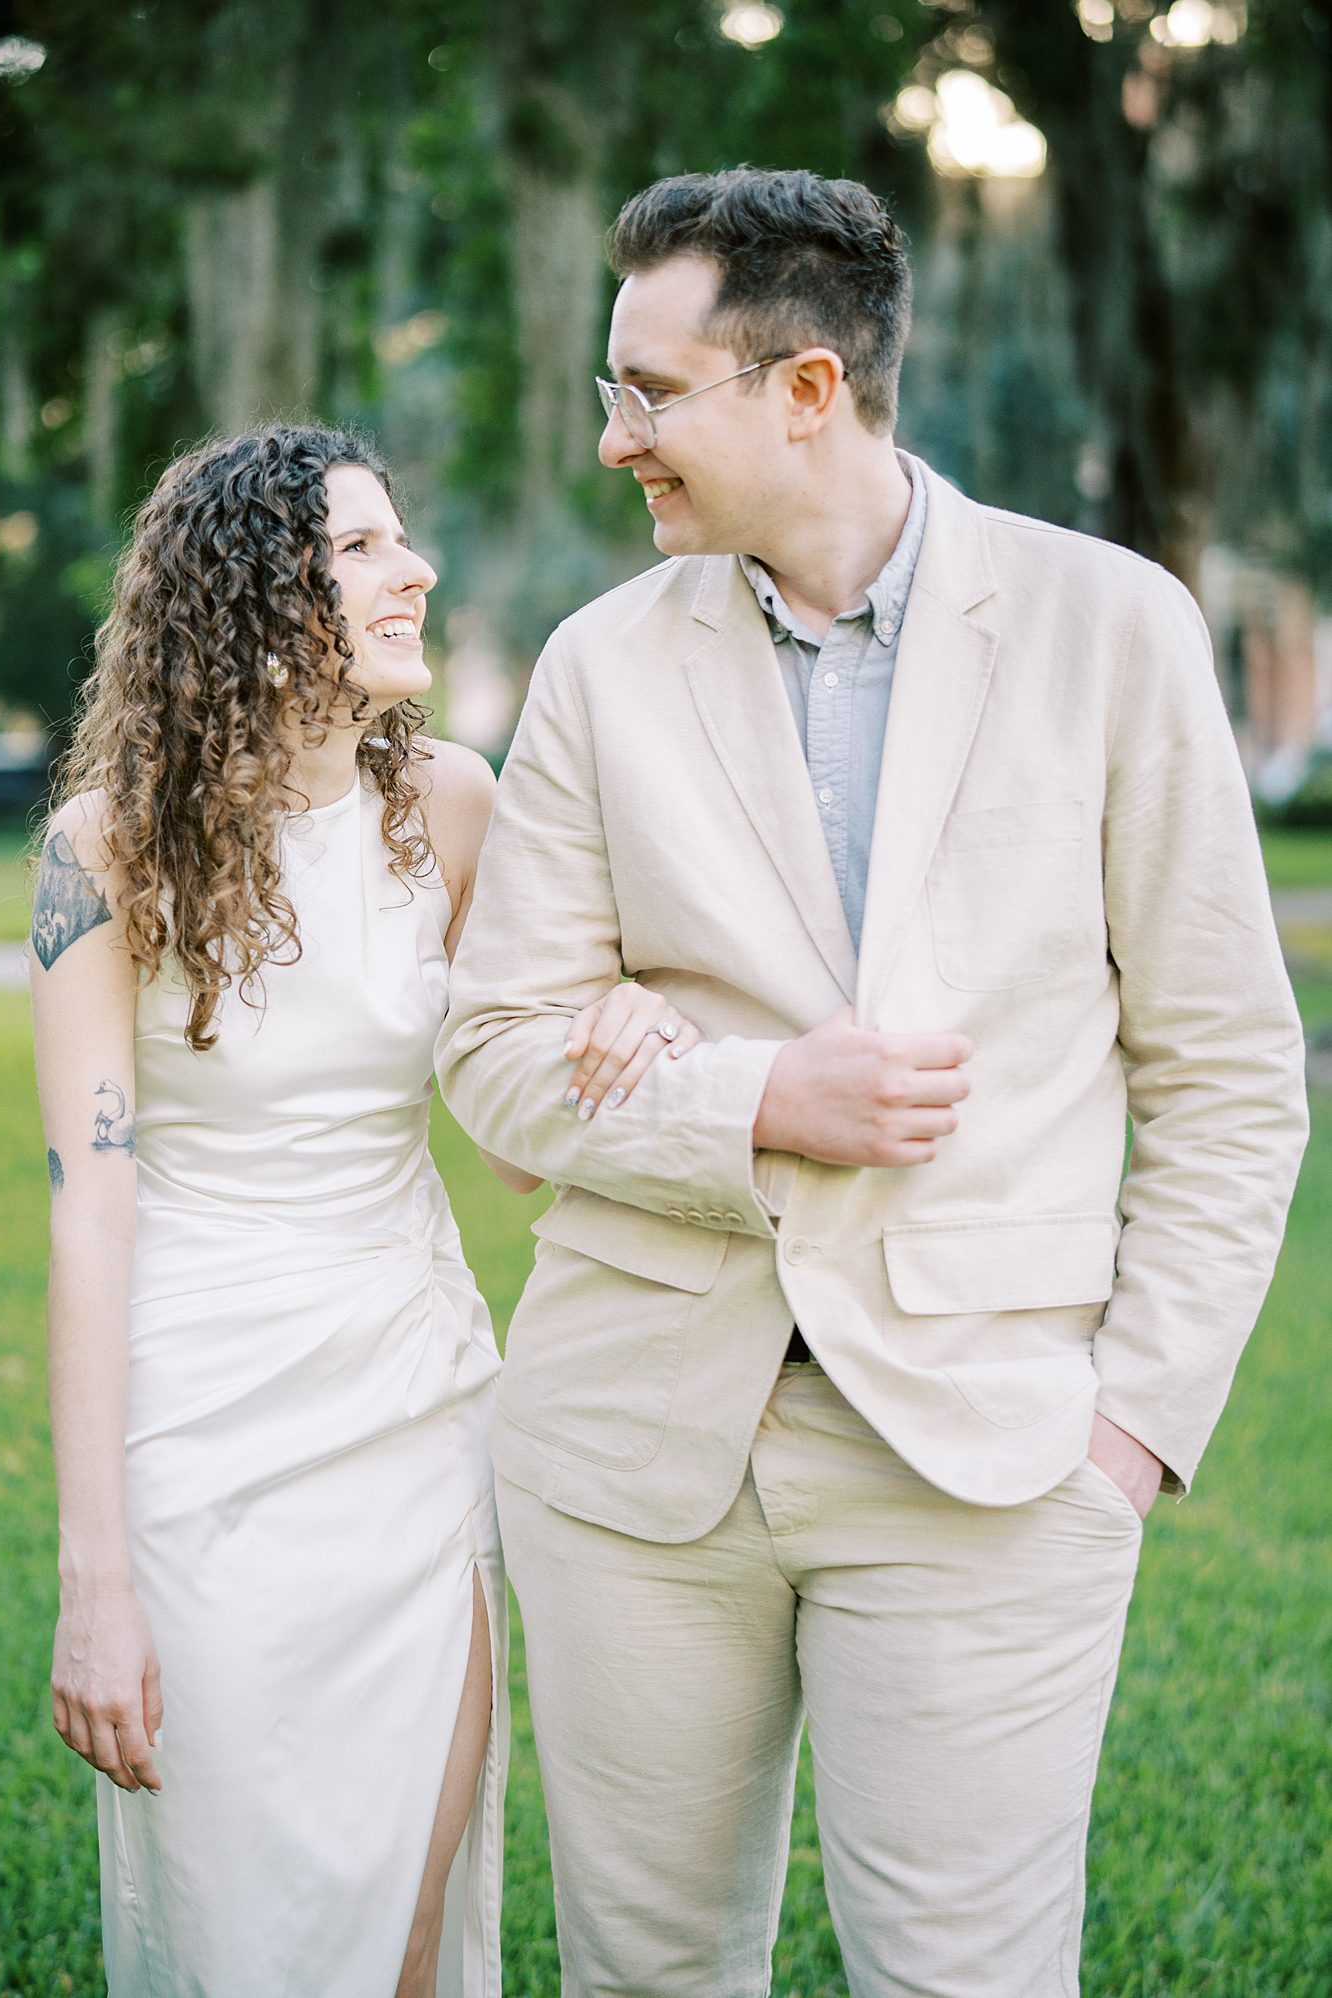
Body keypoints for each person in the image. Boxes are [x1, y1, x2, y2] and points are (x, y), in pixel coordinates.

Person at [435, 169, 1309, 1997]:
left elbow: (1230, 1072)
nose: (616, 442)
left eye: (649, 393)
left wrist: (1126, 1427)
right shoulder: (600, 669)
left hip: (993, 1460)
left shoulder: (1112, 626)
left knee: (965, 1975)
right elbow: (495, 1053)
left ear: (808, 389)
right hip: (631, 1455)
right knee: (648, 1970)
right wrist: (753, 1103)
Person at [28, 422, 699, 1998]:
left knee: (409, 1903)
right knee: (241, 1917)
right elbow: (89, 1214)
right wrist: (96, 1579)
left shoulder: (454, 806)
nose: (418, 570)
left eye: (405, 539)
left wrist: (628, 1028)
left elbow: (521, 1146)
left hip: (415, 1409)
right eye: (364, 547)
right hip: (203, 1436)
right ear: (254, 591)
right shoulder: (107, 849)